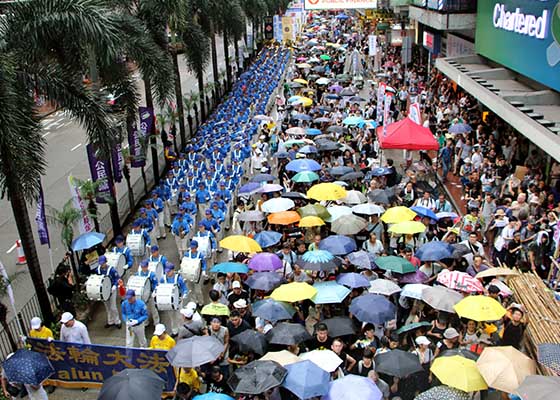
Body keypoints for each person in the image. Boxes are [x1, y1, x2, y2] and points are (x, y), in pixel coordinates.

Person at [159, 263, 188, 336]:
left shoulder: (179, 279)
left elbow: (184, 288)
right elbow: (160, 288)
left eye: (169, 271)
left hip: (178, 300)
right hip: (168, 301)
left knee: (179, 317)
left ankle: (181, 330)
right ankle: (174, 330)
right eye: (166, 271)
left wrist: (184, 294)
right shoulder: (163, 278)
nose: (167, 273)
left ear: (173, 270)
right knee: (171, 317)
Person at [96, 255, 122, 329]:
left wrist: (115, 286)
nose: (102, 265)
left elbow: (118, 278)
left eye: (103, 263)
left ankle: (117, 321)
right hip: (103, 292)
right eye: (101, 263)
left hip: (111, 290)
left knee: (113, 306)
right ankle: (110, 321)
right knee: (107, 307)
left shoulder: (112, 270)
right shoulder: (98, 270)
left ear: (106, 262)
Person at [136, 259, 160, 325]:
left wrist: (154, 292)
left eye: (145, 267)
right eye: (142, 267)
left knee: (153, 309)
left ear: (147, 266)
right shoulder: (138, 274)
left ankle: (156, 322)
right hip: (142, 295)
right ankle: (145, 322)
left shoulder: (152, 274)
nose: (143, 268)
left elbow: (155, 284)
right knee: (144, 309)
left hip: (150, 294)